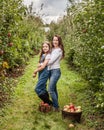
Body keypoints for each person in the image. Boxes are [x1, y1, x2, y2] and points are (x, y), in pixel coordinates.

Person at [47, 35, 65, 112]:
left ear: (59, 41)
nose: (55, 41)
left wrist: (42, 64)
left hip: (55, 71)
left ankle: (56, 107)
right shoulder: (53, 49)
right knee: (54, 88)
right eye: (54, 40)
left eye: (56, 40)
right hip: (51, 70)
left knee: (50, 89)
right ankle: (55, 104)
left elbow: (50, 61)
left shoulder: (58, 50)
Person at [33, 41, 52, 105]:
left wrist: (35, 71)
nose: (44, 48)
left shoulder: (48, 55)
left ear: (49, 47)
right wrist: (38, 68)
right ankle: (46, 102)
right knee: (43, 87)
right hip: (41, 72)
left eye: (46, 46)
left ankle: (49, 102)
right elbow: (40, 64)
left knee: (37, 89)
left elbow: (43, 66)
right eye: (43, 46)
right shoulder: (43, 55)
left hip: (45, 72)